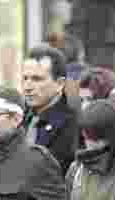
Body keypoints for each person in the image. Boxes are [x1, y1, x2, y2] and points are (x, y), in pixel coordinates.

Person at [22, 44, 81, 173]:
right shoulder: (18, 119)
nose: (27, 87)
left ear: (59, 84)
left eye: (37, 79)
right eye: (25, 78)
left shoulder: (74, 126)